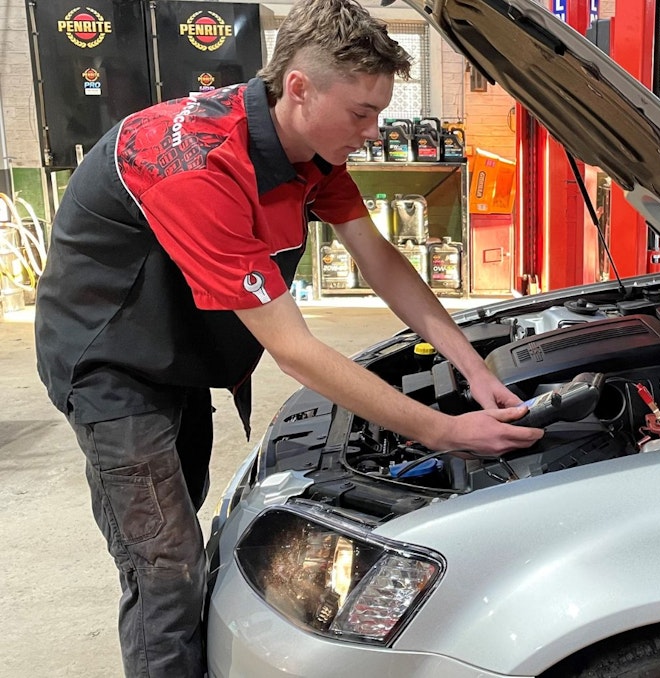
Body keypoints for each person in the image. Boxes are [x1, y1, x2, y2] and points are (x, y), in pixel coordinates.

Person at [33, 0, 544, 675]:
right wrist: (443, 432)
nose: (372, 130)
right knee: (162, 566)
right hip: (112, 369)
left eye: (380, 113)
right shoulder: (193, 163)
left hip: (181, 356)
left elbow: (379, 259)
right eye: (361, 113)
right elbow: (295, 348)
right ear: (299, 87)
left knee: (185, 531)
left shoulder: (311, 157)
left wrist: (471, 366)